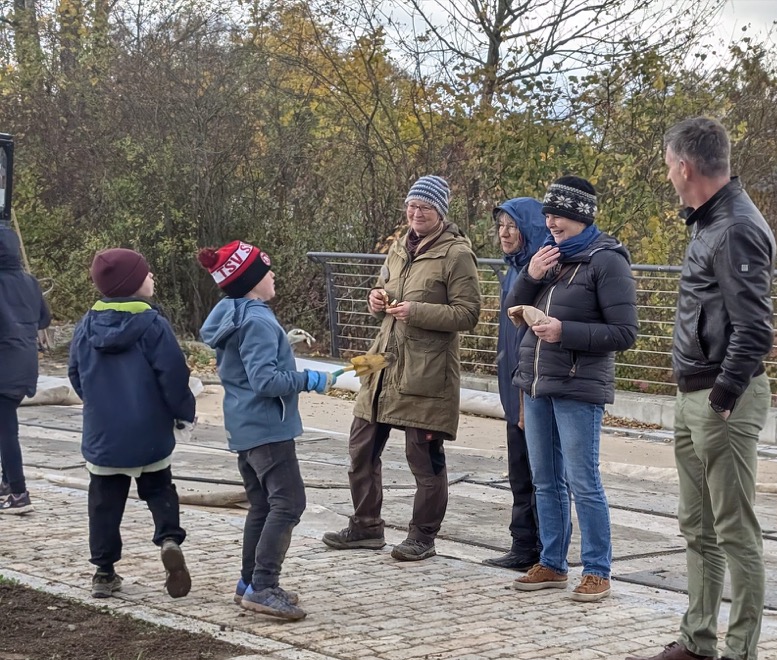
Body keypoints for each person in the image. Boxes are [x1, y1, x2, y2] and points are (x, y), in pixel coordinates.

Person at [624, 117, 775, 660]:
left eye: (668, 166)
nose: (668, 176)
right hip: (696, 393)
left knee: (734, 529)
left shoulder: (734, 227)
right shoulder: (711, 222)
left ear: (684, 166)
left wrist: (723, 394)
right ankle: (697, 642)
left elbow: (755, 327)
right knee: (698, 527)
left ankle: (740, 656)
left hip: (721, 399)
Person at [322, 176, 482, 562]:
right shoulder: (398, 247)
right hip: (380, 364)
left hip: (427, 372)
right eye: (411, 206)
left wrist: (417, 311)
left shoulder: (457, 254)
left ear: (440, 211)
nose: (415, 213)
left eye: (424, 207)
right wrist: (376, 300)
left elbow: (468, 313)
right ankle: (365, 527)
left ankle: (422, 537)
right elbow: (382, 290)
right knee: (360, 449)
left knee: (423, 460)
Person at [507, 175, 638, 602]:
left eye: (558, 215)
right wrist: (530, 275)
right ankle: (552, 562)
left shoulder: (607, 260)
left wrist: (565, 331)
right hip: (537, 383)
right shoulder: (549, 257)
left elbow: (624, 332)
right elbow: (510, 307)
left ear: (581, 216)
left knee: (584, 481)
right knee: (545, 480)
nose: (550, 222)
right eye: (547, 215)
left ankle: (598, 569)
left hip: (578, 386)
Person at [200, 240, 333, 621]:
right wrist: (308, 379)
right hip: (267, 429)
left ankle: (248, 582)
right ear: (250, 280)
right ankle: (264, 585)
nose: (272, 275)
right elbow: (265, 380)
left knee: (261, 505)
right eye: (265, 270)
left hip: (244, 426)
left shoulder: (234, 313)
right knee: (289, 503)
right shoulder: (257, 320)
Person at [68, 248, 195, 599]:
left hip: (104, 434)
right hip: (149, 431)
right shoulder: (154, 325)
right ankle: (169, 539)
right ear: (132, 283)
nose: (151, 276)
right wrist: (184, 412)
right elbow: (174, 375)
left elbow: (75, 373)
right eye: (146, 273)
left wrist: (96, 403)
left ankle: (104, 571)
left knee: (104, 503)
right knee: (159, 488)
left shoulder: (85, 325)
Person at [482, 197, 548, 571]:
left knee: (540, 474)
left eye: (512, 227)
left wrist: (523, 395)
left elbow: (532, 340)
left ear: (529, 230)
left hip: (531, 389)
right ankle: (522, 544)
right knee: (519, 471)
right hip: (513, 387)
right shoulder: (514, 271)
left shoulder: (541, 272)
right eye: (501, 226)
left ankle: (543, 549)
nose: (504, 234)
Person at [0, 225, 50, 514]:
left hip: (4, 363)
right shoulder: (29, 282)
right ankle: (7, 483)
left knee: (7, 431)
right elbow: (44, 318)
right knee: (6, 425)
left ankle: (19, 492)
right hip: (26, 361)